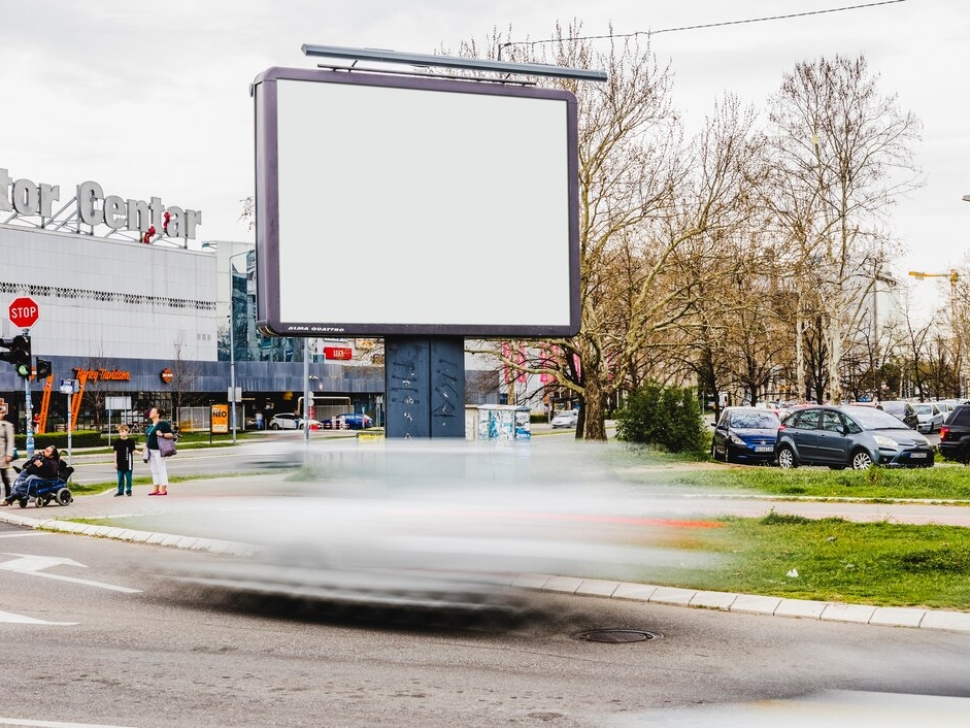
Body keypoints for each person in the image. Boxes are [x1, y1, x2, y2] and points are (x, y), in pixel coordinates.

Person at [144, 406, 175, 496]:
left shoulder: (163, 424)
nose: (150, 413)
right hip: (150, 450)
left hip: (159, 450)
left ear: (158, 414)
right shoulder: (151, 426)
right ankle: (156, 488)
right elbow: (148, 437)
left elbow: (171, 435)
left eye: (153, 412)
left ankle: (163, 489)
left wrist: (162, 434)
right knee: (154, 469)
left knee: (161, 468)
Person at [113, 424, 137, 497]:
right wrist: (115, 462)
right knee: (120, 478)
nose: (121, 433)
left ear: (127, 431)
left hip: (128, 463)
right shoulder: (117, 442)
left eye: (123, 431)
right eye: (120, 432)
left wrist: (141, 453)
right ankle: (120, 491)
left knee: (129, 478)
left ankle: (128, 490)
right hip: (120, 463)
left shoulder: (130, 441)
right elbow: (115, 453)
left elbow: (133, 450)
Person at [0, 415, 15, 500]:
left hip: (3, 454)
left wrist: (9, 454)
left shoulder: (7, 425)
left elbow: (10, 441)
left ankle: (8, 497)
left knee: (4, 477)